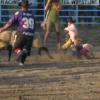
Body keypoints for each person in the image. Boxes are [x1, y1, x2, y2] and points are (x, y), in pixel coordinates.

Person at [0, 0, 35, 66]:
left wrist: (3, 28)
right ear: (28, 6)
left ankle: (19, 53)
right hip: (30, 35)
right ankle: (21, 63)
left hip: (21, 33)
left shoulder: (19, 13)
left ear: (21, 6)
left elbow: (10, 23)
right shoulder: (32, 15)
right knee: (25, 50)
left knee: (16, 48)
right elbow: (34, 26)